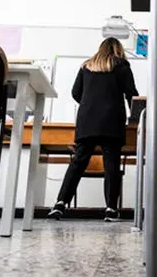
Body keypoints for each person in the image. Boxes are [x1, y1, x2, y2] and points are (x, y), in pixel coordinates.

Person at [48, 37, 138, 222]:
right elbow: (131, 94)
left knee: (78, 162)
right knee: (111, 163)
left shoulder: (86, 66)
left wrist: (91, 104)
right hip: (112, 119)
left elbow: (75, 92)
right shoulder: (121, 66)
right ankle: (111, 209)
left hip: (87, 120)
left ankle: (60, 203)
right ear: (118, 50)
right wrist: (137, 119)